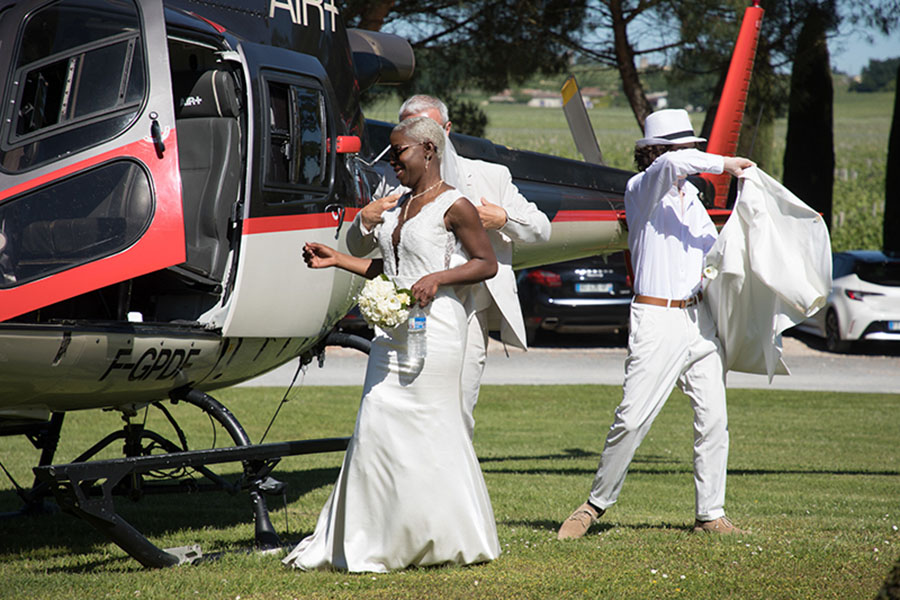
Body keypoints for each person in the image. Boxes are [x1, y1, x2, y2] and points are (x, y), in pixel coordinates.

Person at [283, 116, 501, 572]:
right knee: (376, 421)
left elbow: (486, 264)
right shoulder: (399, 203)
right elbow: (393, 269)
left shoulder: (455, 205)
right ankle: (376, 536)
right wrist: (338, 259)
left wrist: (438, 278)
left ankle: (445, 536)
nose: (391, 160)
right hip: (392, 333)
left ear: (427, 149)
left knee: (431, 429)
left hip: (436, 330)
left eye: (398, 151)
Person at [557, 109, 755, 540]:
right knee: (632, 418)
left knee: (714, 419)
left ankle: (711, 514)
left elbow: (713, 253)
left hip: (698, 319)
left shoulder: (694, 203)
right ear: (659, 151)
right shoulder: (641, 189)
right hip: (656, 318)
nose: (692, 158)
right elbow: (671, 165)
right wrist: (726, 163)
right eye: (686, 149)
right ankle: (594, 505)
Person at [347, 95, 551, 439]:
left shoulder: (489, 175)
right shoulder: (394, 182)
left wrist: (503, 218)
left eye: (424, 126)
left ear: (444, 131)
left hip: (468, 312)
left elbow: (541, 229)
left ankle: (450, 479)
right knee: (394, 406)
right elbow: (367, 247)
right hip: (406, 312)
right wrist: (362, 222)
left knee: (457, 406)